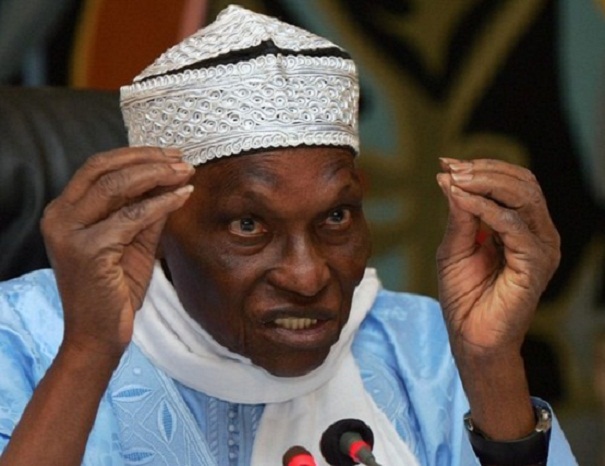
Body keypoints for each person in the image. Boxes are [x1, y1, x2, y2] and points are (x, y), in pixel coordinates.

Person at [0, 5, 577, 466]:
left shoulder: (423, 345)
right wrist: (88, 352)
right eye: (249, 226)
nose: (307, 276)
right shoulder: (22, 337)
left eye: (335, 218)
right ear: (154, 223)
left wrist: (490, 365)